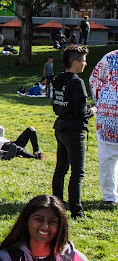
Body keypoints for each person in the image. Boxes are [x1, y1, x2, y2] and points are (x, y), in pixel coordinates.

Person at [52, 45, 94, 219]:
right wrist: (93, 111)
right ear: (75, 62)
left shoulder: (58, 79)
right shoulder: (77, 82)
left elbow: (56, 105)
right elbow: (81, 111)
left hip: (61, 127)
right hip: (74, 131)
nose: (85, 64)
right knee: (77, 172)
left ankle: (55, 205)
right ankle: (77, 211)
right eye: (83, 60)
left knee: (61, 168)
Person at [88, 48, 118, 208]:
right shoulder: (110, 57)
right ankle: (109, 196)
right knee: (107, 158)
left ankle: (109, 196)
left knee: (107, 159)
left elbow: (94, 80)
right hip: (109, 117)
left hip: (108, 115)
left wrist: (101, 100)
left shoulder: (110, 58)